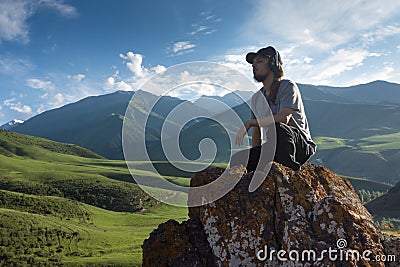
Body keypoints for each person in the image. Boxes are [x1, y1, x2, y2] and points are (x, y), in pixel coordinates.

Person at [232, 46, 316, 172]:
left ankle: (289, 173)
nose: (254, 66)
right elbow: (257, 133)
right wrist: (257, 156)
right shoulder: (256, 98)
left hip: (299, 145)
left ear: (273, 63)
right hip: (274, 146)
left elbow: (284, 118)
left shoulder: (287, 86)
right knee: (238, 158)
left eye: (259, 61)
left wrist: (251, 122)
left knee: (276, 128)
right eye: (253, 63)